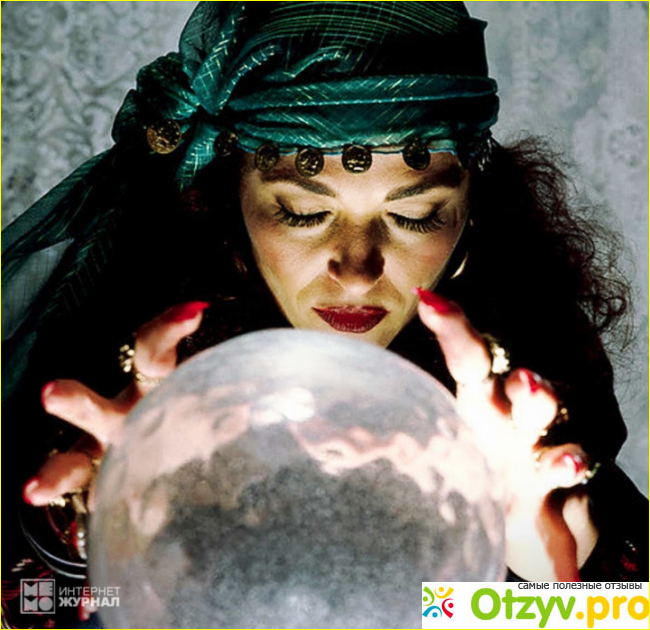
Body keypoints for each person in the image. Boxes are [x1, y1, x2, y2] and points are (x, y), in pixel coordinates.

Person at [2, 2, 647, 628]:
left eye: (415, 216)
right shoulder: (120, 401)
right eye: (305, 213)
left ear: (472, 215)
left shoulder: (526, 433)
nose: (358, 268)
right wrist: (89, 530)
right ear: (226, 207)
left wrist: (538, 587)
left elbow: (602, 611)